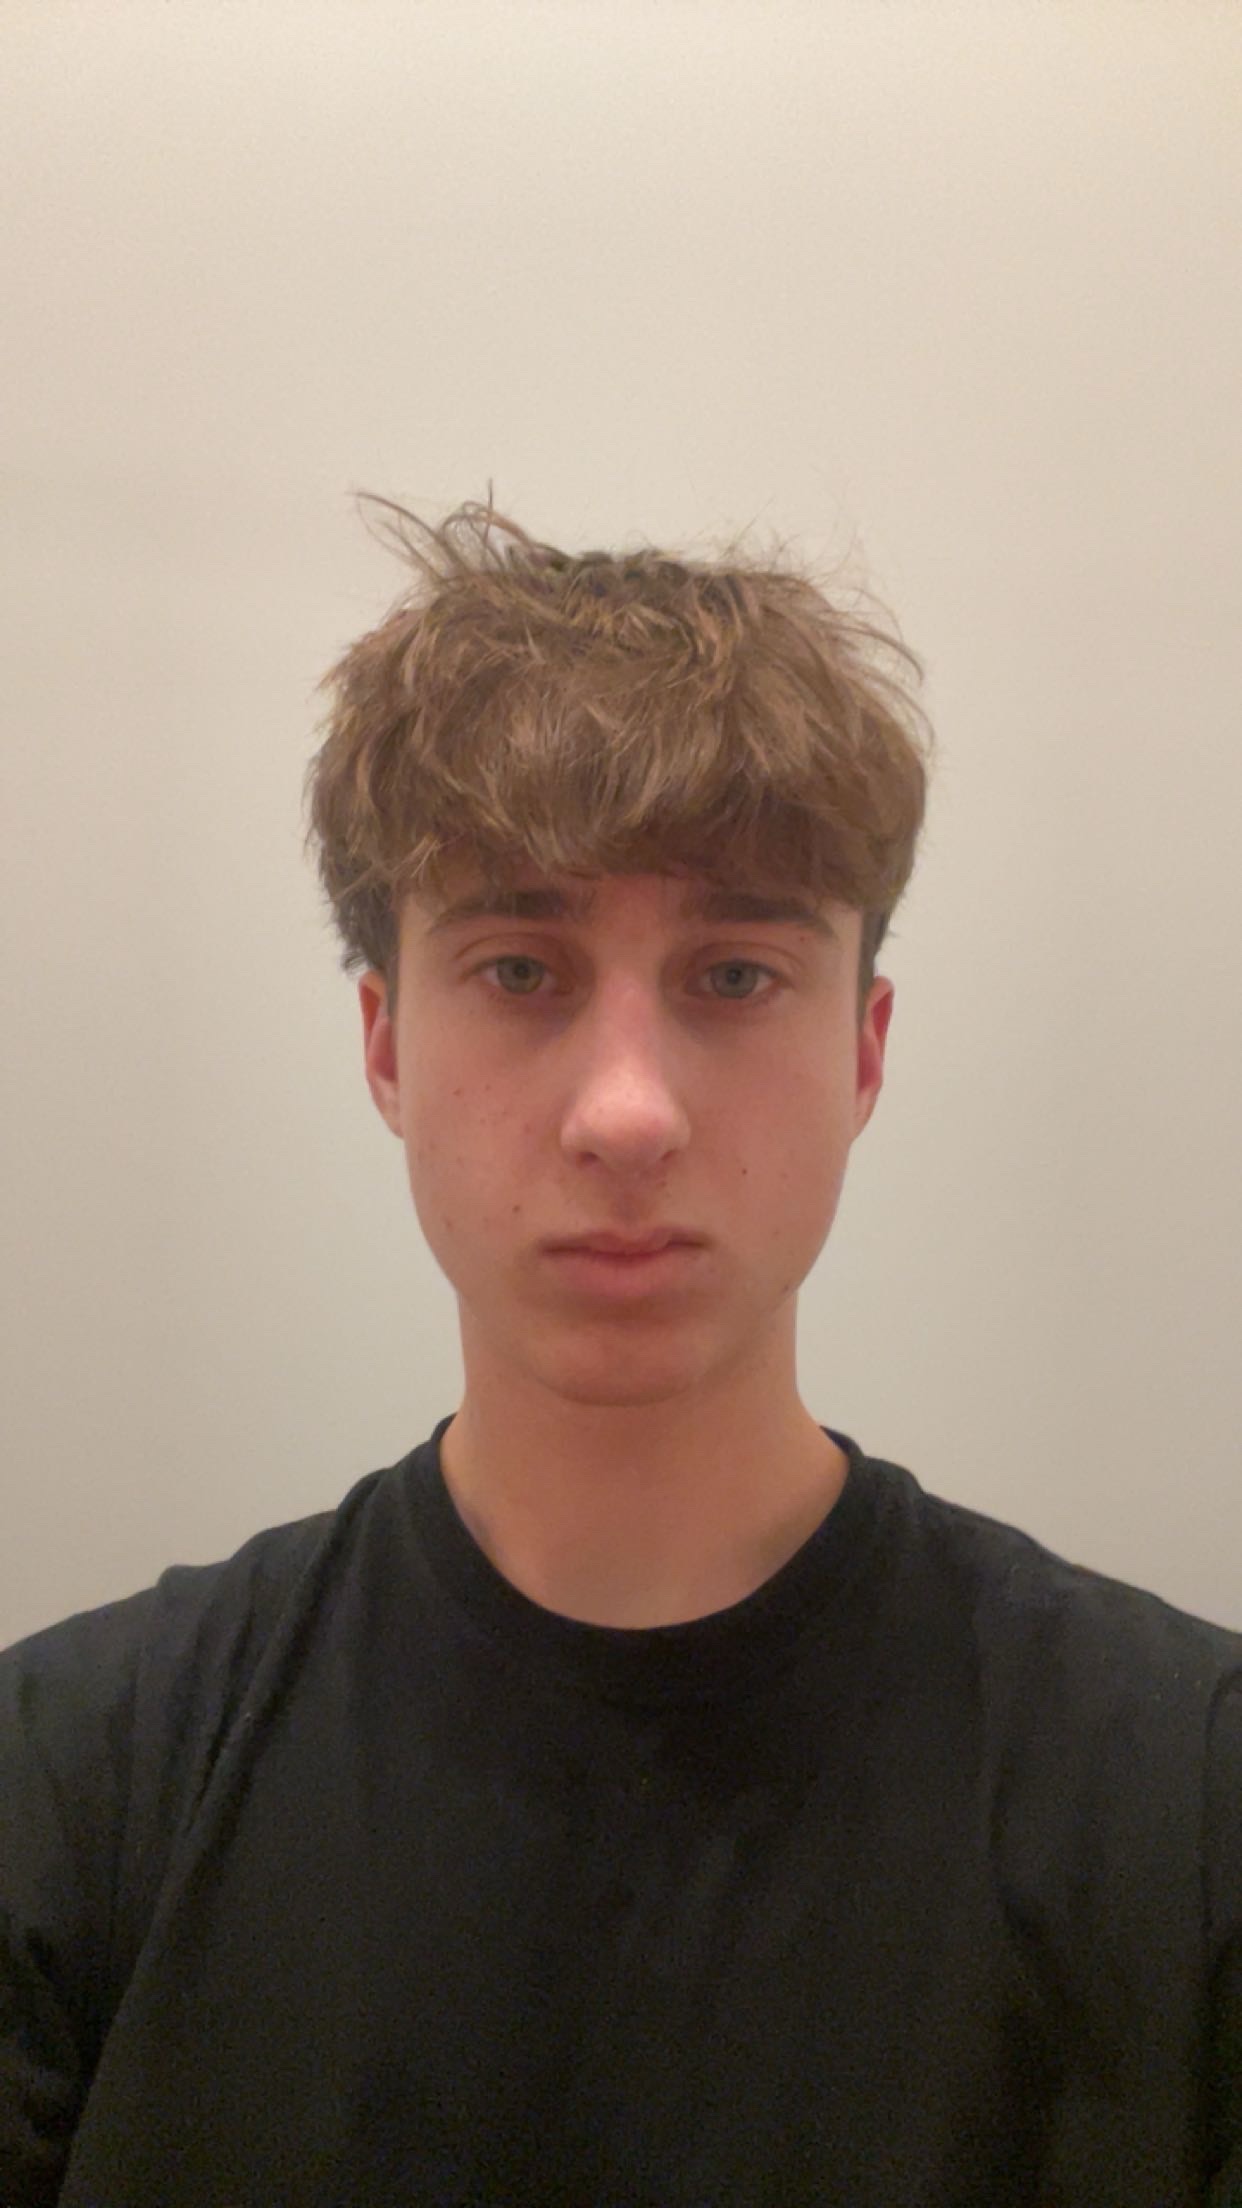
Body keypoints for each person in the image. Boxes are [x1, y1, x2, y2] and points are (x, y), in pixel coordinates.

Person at [1, 493, 1238, 2208]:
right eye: (520, 969)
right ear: (385, 1047)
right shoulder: (66, 1786)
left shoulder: (1190, 1799)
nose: (628, 1111)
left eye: (733, 977)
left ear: (863, 1052)